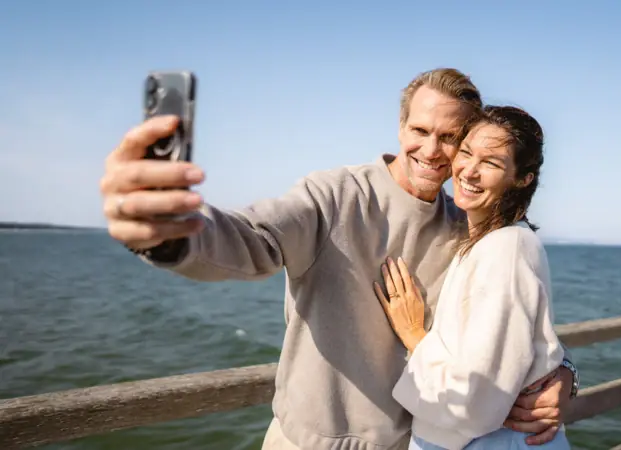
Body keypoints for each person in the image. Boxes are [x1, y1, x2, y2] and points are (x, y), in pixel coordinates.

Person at [99, 68, 579, 450]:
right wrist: (169, 235)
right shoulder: (334, 196)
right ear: (399, 127)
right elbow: (252, 238)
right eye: (419, 130)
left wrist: (562, 374)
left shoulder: (469, 227)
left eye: (450, 137)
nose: (432, 151)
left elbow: (507, 327)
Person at [374, 105, 571, 449]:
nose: (470, 171)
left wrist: (413, 335)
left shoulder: (506, 249)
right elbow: (521, 347)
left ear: (523, 178)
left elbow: (475, 399)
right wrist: (567, 370)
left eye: (492, 163)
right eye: (466, 153)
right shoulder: (488, 241)